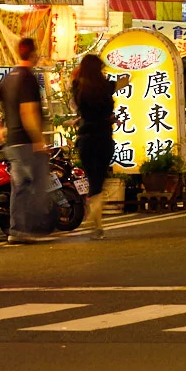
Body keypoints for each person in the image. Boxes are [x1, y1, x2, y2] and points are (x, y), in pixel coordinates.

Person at [0, 36, 53, 243]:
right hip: (26, 141)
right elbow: (28, 112)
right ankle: (27, 228)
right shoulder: (27, 78)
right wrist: (38, 140)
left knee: (20, 186)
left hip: (12, 141)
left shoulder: (10, 76)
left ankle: (18, 229)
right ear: (33, 54)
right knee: (34, 184)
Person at [70, 52, 116, 238]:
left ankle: (95, 220)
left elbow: (79, 109)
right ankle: (96, 221)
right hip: (103, 136)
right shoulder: (106, 86)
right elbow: (106, 112)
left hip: (86, 138)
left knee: (92, 179)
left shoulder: (78, 87)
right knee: (98, 179)